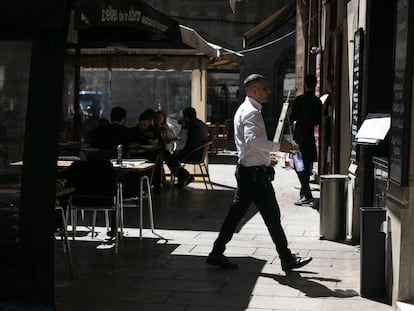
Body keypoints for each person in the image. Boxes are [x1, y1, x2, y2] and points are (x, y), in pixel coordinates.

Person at [206, 74, 312, 272]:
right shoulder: (252, 112)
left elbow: (249, 144)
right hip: (254, 175)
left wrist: (266, 158)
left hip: (248, 170)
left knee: (236, 215)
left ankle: (216, 252)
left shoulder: (245, 109)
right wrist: (279, 147)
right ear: (254, 91)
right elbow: (252, 140)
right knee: (271, 216)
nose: (268, 92)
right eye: (265, 88)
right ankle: (286, 258)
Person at [289, 74, 322, 206]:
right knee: (307, 165)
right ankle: (304, 193)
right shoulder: (317, 101)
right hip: (309, 136)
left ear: (305, 85)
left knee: (298, 165)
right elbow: (318, 121)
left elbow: (292, 118)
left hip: (299, 136)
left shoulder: (299, 100)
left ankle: (307, 194)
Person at [165, 107, 209, 188]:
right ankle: (184, 176)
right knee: (171, 157)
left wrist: (179, 151)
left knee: (169, 158)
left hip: (192, 153)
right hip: (199, 153)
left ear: (186, 117)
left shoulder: (191, 126)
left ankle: (184, 176)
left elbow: (184, 141)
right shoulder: (201, 124)